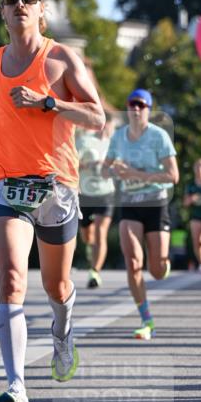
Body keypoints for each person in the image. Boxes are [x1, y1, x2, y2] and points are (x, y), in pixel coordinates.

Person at [0, 0, 105, 402]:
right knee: (10, 280)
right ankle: (16, 388)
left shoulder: (63, 58)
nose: (20, 4)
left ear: (41, 8)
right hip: (6, 183)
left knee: (56, 287)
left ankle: (62, 330)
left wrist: (48, 104)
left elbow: (97, 116)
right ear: (2, 10)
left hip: (56, 185)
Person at [103, 89, 179, 340]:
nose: (135, 109)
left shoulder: (159, 137)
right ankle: (147, 320)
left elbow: (173, 176)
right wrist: (115, 170)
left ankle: (162, 264)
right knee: (133, 262)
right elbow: (105, 171)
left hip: (156, 203)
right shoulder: (118, 137)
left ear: (148, 109)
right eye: (131, 104)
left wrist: (138, 174)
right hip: (130, 203)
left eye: (141, 105)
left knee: (156, 270)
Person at [76, 116, 116, 288]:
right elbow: (71, 163)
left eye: (112, 127)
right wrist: (86, 164)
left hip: (106, 194)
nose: (108, 129)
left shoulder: (116, 146)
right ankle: (90, 247)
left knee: (101, 232)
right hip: (85, 193)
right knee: (87, 235)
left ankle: (95, 272)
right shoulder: (85, 141)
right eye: (106, 125)